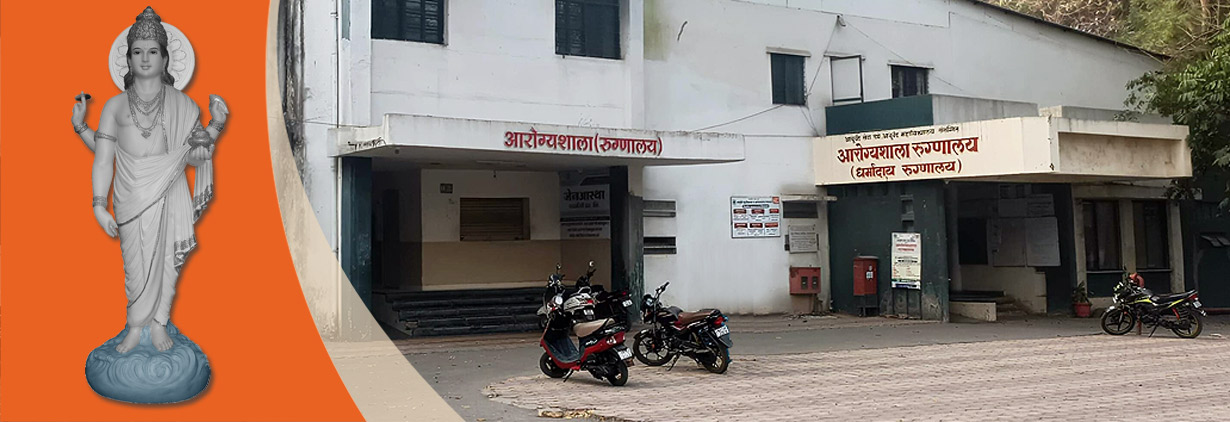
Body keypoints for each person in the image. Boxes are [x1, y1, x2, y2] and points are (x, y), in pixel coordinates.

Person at [70, 7, 229, 353]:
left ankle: (158, 324)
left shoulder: (183, 104)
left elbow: (191, 154)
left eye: (153, 51)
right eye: (137, 52)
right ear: (127, 59)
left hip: (169, 192)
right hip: (129, 196)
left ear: (165, 58)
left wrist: (215, 126)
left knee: (167, 263)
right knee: (135, 267)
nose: (145, 59)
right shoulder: (114, 106)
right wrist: (98, 205)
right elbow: (105, 157)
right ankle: (134, 325)